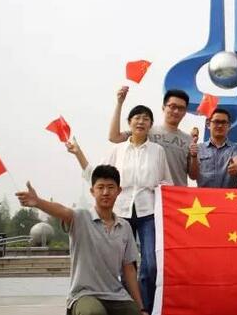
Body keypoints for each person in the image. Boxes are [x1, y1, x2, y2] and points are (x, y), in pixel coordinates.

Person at [66, 105, 170, 315]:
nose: (141, 122)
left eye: (146, 119)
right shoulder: (118, 150)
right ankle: (124, 304)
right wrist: (78, 154)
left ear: (151, 125)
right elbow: (97, 175)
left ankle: (145, 308)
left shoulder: (157, 151)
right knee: (124, 264)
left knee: (151, 264)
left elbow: (166, 182)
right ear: (129, 123)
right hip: (121, 212)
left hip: (148, 212)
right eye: (137, 118)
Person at [15, 165, 145, 315]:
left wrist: (141, 308)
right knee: (94, 312)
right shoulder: (81, 217)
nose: (105, 192)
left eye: (110, 187)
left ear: (119, 191)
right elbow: (62, 211)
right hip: (84, 295)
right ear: (92, 191)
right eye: (100, 187)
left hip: (116, 296)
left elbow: (129, 270)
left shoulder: (125, 227)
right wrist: (38, 202)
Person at [109, 87, 193, 186]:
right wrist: (119, 103)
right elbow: (114, 137)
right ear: (163, 107)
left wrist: (194, 156)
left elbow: (193, 175)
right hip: (154, 191)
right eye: (172, 106)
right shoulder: (147, 130)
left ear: (185, 112)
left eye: (181, 108)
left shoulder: (189, 140)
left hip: (178, 191)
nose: (176, 111)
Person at [190, 108, 237, 188]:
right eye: (216, 121)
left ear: (229, 126)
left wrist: (236, 165)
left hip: (229, 195)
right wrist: (193, 156)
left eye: (224, 122)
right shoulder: (198, 149)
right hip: (204, 195)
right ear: (208, 124)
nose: (220, 125)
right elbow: (192, 176)